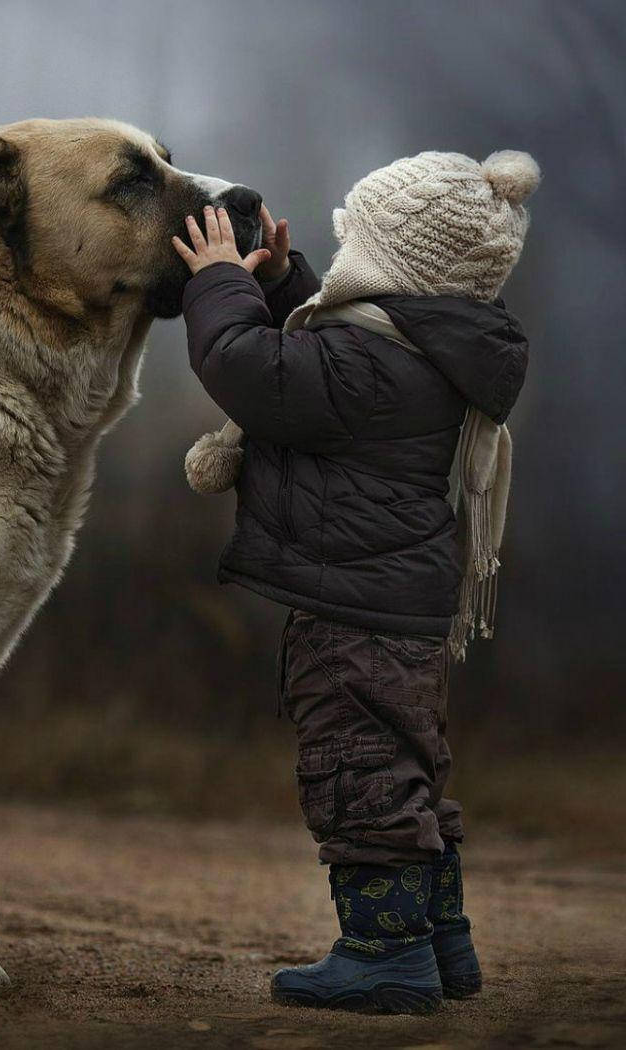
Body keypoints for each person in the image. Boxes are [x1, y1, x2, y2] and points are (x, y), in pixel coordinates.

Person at [172, 150, 539, 1013]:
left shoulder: (369, 369)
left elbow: (244, 365)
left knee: (358, 773)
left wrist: (220, 282)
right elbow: (318, 351)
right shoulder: (416, 350)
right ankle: (442, 943)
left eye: (355, 243)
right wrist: (278, 281)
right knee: (407, 769)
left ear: (394, 263)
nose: (342, 261)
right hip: (399, 607)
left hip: (354, 614)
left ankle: (385, 954)